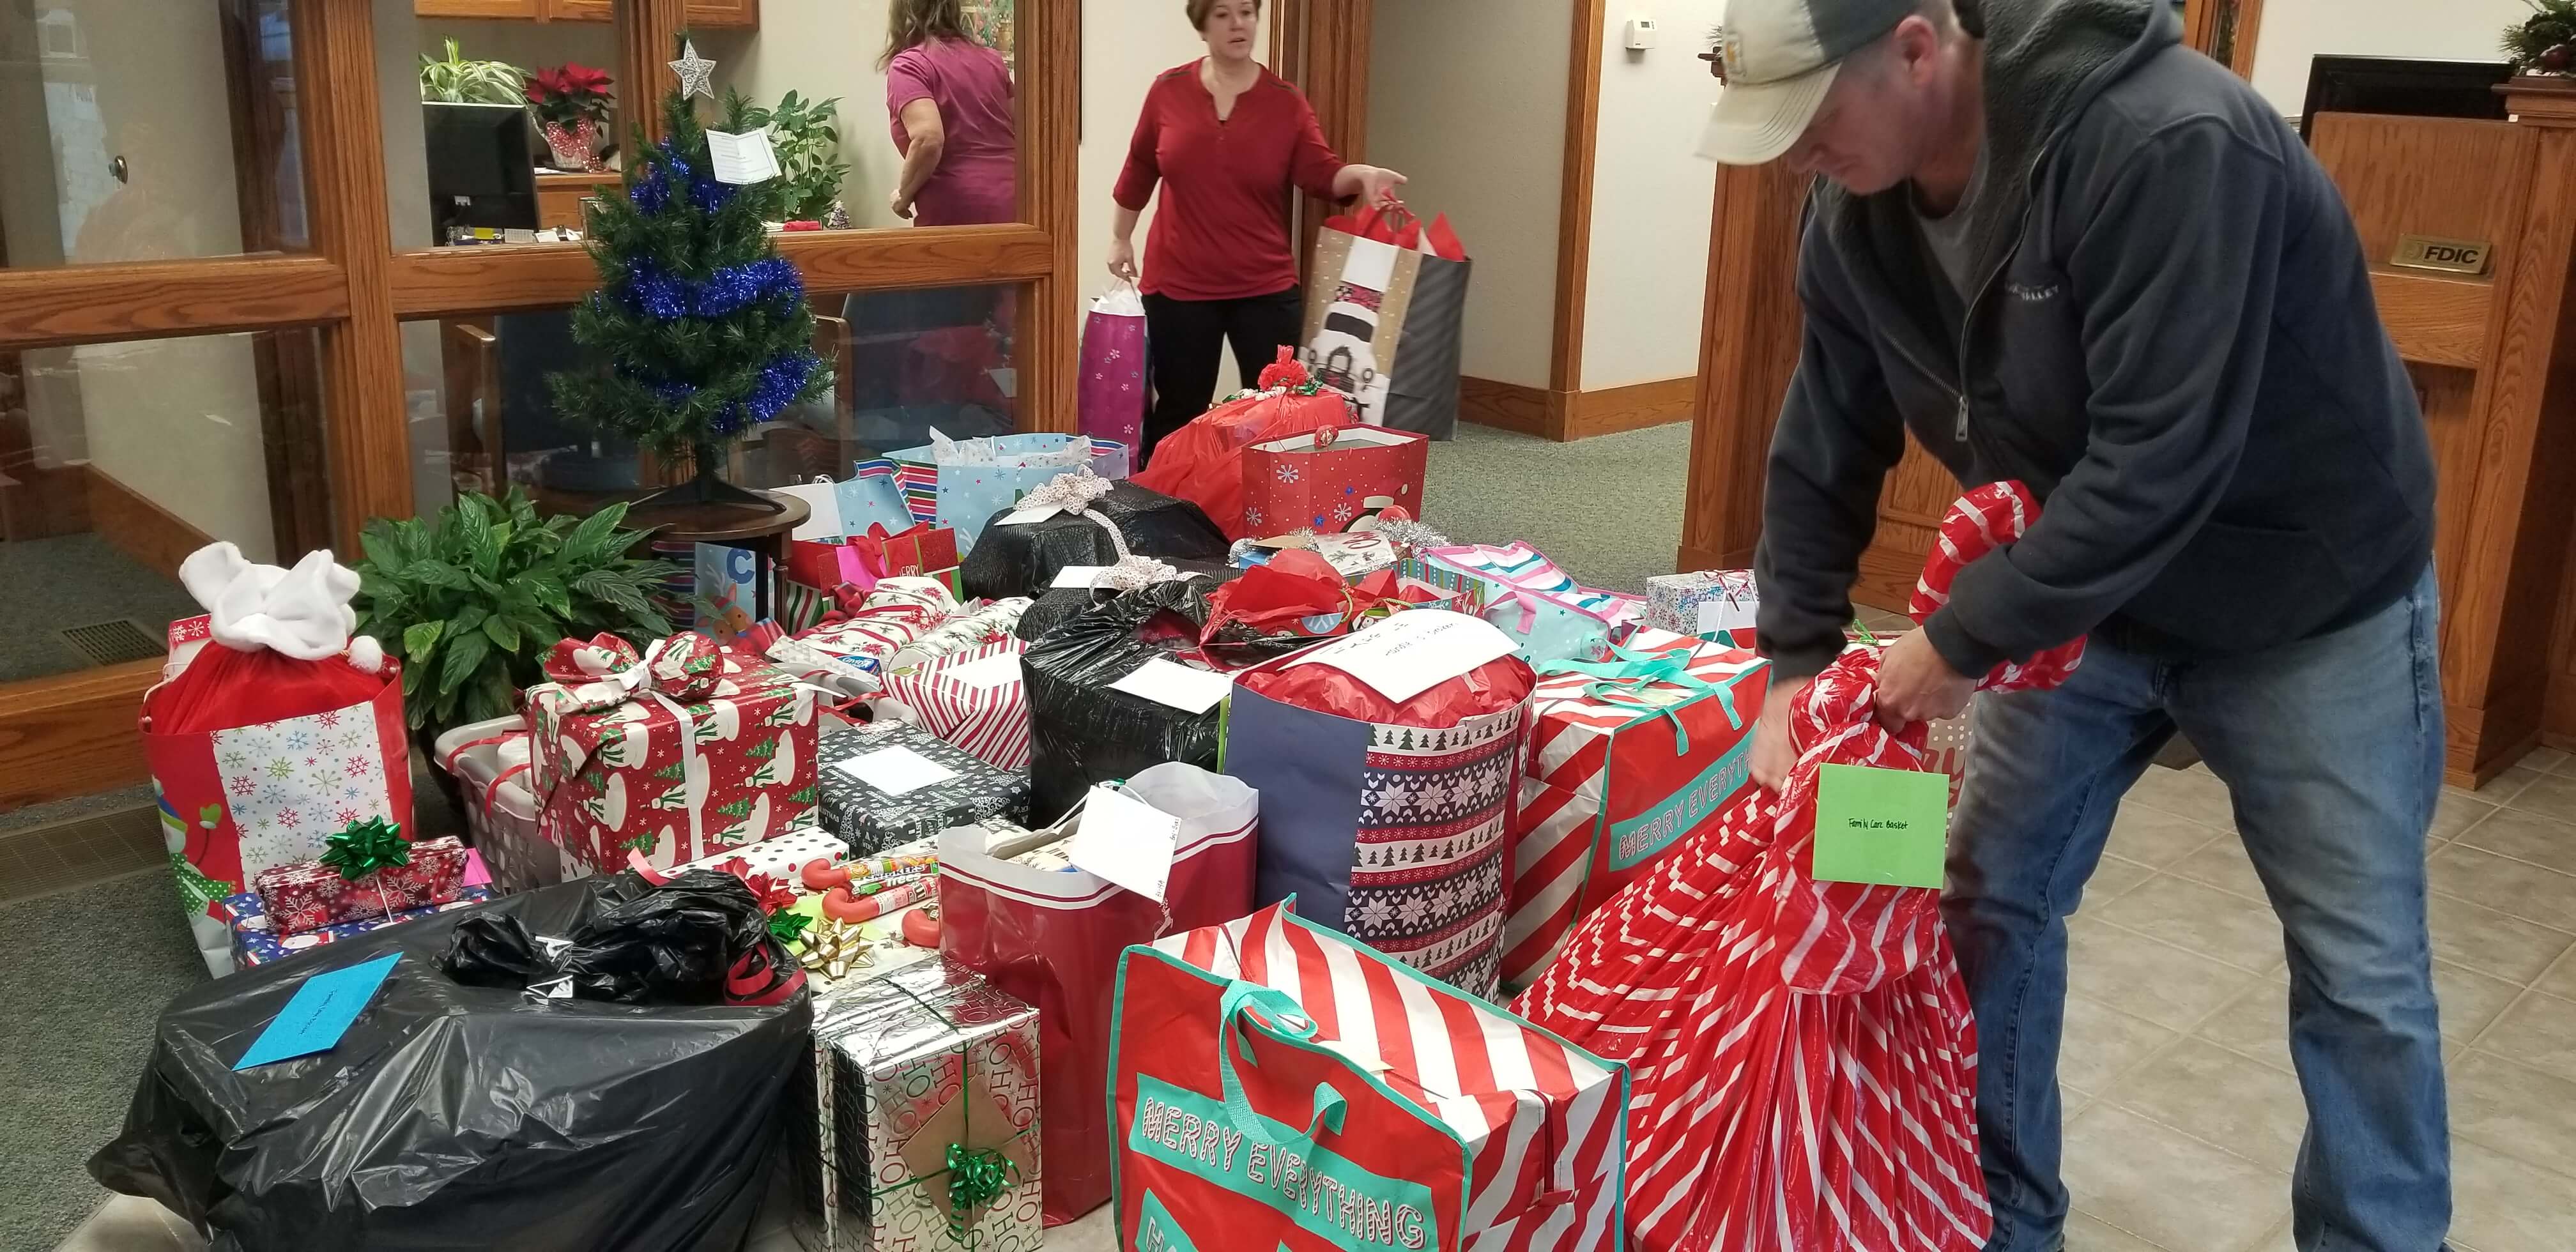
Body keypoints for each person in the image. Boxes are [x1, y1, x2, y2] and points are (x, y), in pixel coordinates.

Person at [1709, 0, 2449, 1249]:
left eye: (1810, 117)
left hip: (2309, 597)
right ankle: (1995, 1217)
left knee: (2359, 974)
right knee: (1990, 899)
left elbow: (2162, 460)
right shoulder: (1850, 211)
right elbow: (1825, 437)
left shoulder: (2170, 144)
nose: (1793, 155)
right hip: (2084, 598)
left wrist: (1954, 638)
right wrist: (1790, 657)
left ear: (1914, 43)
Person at [1108, 0, 1406, 461]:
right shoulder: (1168, 91)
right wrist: (1120, 236)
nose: (1238, 24)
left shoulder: (1284, 101)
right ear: (1203, 24)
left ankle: (1275, 521)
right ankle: (1166, 521)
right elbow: (1140, 168)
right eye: (1224, 13)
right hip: (1180, 286)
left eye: (1247, 11)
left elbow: (1320, 172)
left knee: (1281, 415)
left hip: (1264, 287)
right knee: (1180, 414)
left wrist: (1362, 175)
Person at [881, 0, 1015, 226]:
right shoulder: (991, 60)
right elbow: (1023, 127)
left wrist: (903, 196)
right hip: (1016, 201)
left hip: (957, 208)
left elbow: (928, 139)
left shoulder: (910, 65)